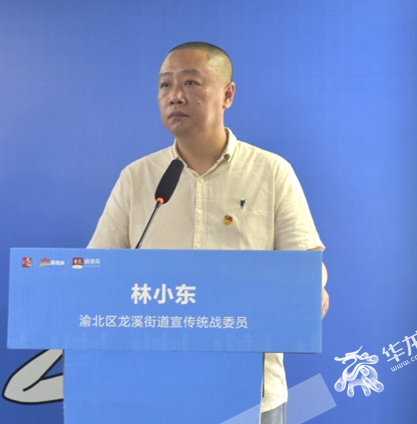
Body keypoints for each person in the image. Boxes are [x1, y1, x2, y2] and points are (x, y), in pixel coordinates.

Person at [87, 41, 329, 424]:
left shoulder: (271, 172)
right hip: (155, 387)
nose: (175, 95)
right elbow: (97, 273)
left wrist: (311, 291)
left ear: (227, 94)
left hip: (250, 391)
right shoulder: (137, 178)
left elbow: (306, 268)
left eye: (191, 82)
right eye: (165, 85)